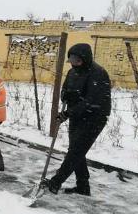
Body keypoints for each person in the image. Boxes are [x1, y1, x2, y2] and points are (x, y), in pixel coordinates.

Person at [41, 43, 111, 196]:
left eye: (77, 60)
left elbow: (91, 100)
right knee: (77, 150)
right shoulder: (72, 72)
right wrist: (65, 95)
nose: (74, 63)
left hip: (95, 117)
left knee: (75, 151)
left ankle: (55, 182)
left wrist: (68, 113)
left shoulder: (98, 73)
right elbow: (66, 89)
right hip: (77, 116)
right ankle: (83, 186)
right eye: (71, 59)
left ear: (85, 59)